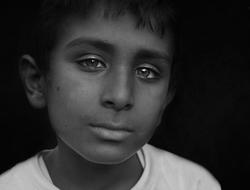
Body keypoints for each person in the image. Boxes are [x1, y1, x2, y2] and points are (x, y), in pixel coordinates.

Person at [0, 0, 221, 189]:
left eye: (147, 72)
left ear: (167, 95)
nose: (121, 96)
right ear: (37, 81)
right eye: (91, 62)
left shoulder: (193, 184)